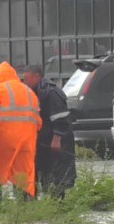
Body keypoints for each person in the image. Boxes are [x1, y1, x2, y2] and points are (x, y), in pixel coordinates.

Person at [0, 62, 42, 197]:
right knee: (22, 173)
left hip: (2, 141)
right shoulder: (29, 92)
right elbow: (38, 122)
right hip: (25, 142)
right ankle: (23, 205)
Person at [21, 64, 77, 197]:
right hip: (45, 140)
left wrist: (56, 139)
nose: (25, 82)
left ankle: (57, 203)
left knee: (58, 173)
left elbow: (61, 118)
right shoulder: (35, 91)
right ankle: (46, 199)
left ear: (36, 76)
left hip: (57, 139)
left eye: (27, 78)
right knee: (44, 171)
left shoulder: (51, 92)